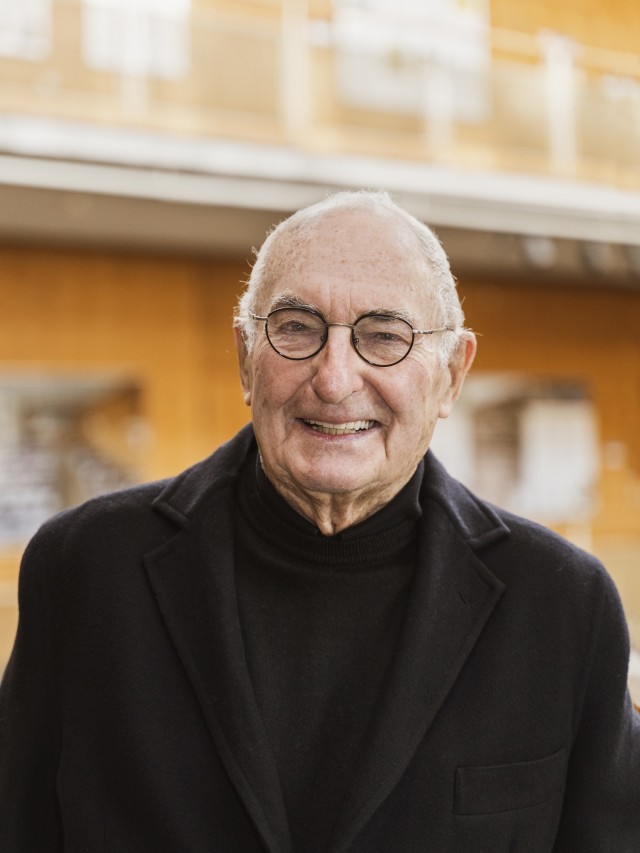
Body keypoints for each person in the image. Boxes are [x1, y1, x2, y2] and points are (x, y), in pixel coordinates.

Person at [1, 190, 639, 852]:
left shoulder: (563, 604)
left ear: (451, 375)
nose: (334, 379)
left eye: (385, 335)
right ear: (245, 356)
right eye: (297, 327)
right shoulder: (85, 569)